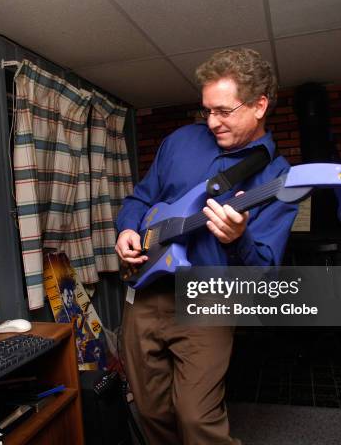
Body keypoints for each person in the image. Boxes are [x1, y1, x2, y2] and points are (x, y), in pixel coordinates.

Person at [115, 48, 298, 444]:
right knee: (149, 409)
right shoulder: (180, 142)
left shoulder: (279, 177)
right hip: (147, 291)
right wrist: (127, 229)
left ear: (260, 105)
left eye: (224, 111)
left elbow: (264, 269)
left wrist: (238, 239)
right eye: (206, 111)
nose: (212, 122)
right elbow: (141, 199)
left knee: (196, 418)